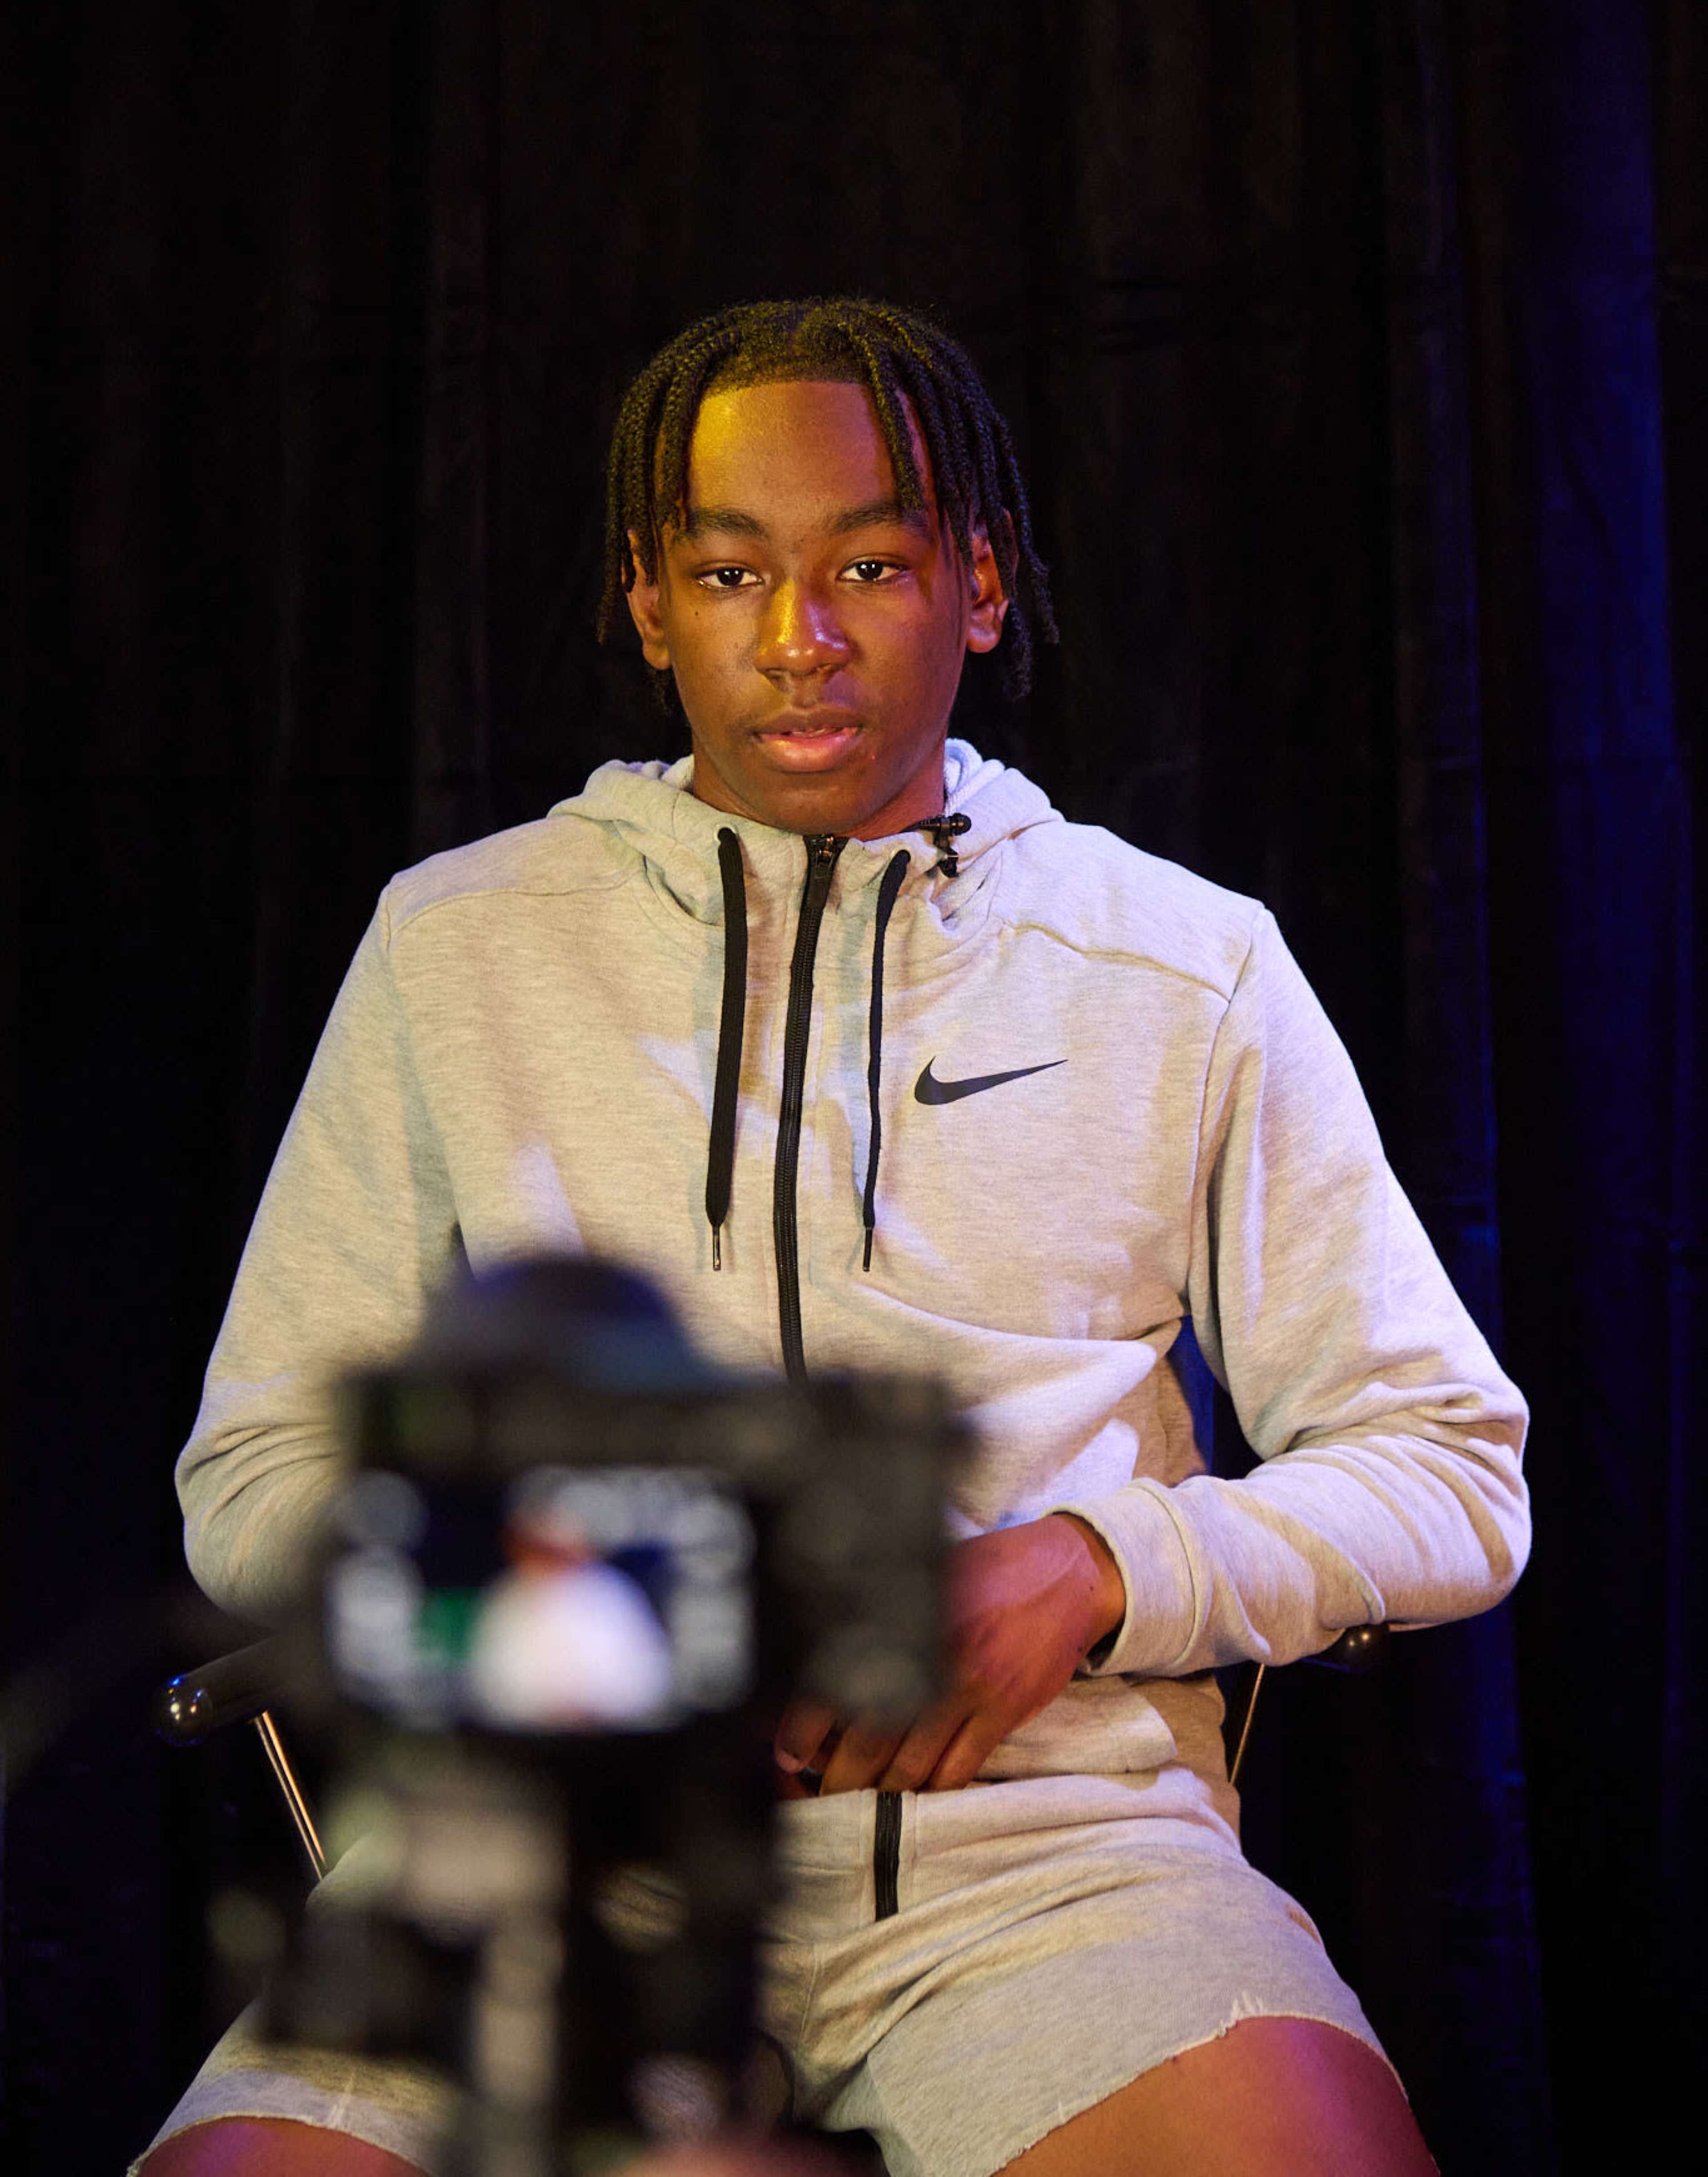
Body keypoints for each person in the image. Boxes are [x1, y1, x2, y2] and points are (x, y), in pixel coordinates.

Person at [139, 297, 1529, 2177]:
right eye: (732, 572)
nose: (798, 640)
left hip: (1052, 1868)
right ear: (650, 602)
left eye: (868, 562)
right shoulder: (459, 944)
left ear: (979, 581)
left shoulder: (1181, 959)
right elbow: (261, 1459)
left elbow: (1452, 1467)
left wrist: (1093, 1567)